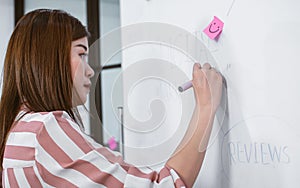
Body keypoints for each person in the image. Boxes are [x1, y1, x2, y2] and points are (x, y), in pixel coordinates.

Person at [0, 9, 223, 188]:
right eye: (81, 54)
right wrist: (206, 106)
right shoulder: (45, 129)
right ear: (49, 59)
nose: (90, 71)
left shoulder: (18, 127)